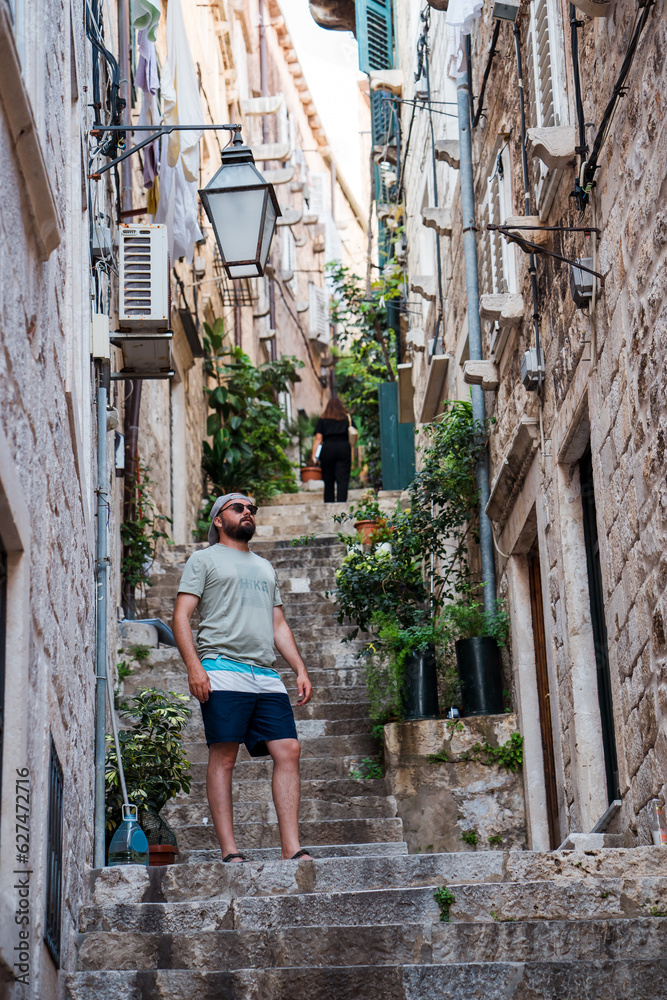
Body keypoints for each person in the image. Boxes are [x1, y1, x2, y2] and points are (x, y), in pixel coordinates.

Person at [172, 492, 314, 863]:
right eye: (238, 508)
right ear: (219, 519)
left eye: (252, 508)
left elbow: (277, 623)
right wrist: (194, 666)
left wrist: (299, 668)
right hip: (221, 667)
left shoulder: (265, 567)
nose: (247, 512)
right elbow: (181, 616)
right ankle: (230, 850)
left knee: (289, 750)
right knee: (224, 756)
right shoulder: (203, 560)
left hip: (265, 674)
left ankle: (291, 848)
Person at [312, 396, 352, 503]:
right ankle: (342, 504)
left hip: (327, 449)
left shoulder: (322, 420)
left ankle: (329, 503)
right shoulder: (347, 418)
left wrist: (314, 455)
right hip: (343, 448)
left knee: (328, 479)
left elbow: (318, 439)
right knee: (342, 478)